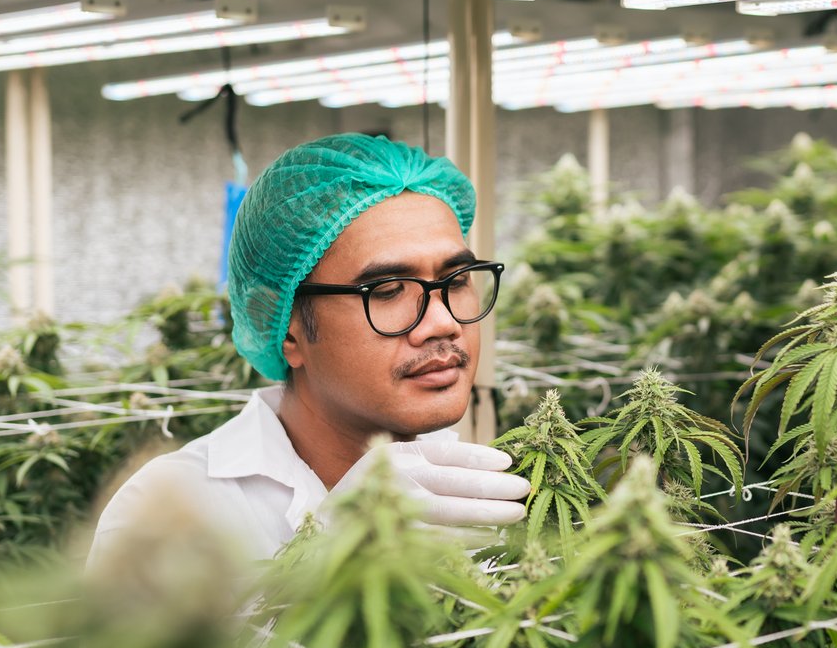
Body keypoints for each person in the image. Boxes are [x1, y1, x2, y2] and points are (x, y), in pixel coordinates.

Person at [88, 133, 530, 570]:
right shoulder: (169, 514)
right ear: (287, 330)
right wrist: (324, 561)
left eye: (456, 281)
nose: (444, 323)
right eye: (388, 290)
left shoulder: (465, 482)